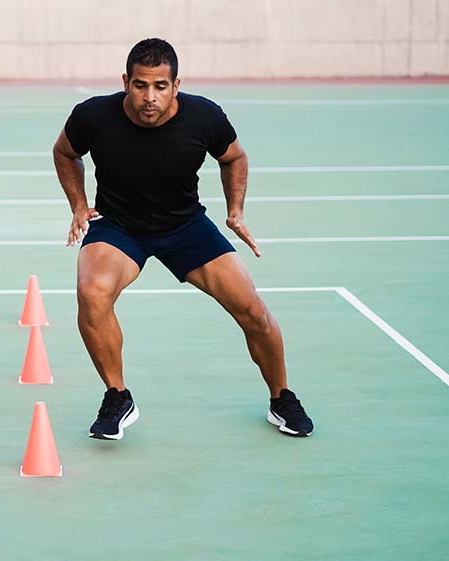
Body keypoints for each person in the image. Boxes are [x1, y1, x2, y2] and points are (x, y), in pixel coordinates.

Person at [52, 38, 313, 441]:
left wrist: (235, 211)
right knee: (91, 292)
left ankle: (282, 398)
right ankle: (117, 396)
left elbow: (234, 157)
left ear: (176, 85)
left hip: (185, 226)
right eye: (140, 85)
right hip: (119, 226)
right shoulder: (93, 116)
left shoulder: (204, 116)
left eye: (160, 86)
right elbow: (65, 152)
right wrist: (78, 205)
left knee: (253, 311)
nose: (149, 97)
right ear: (126, 82)